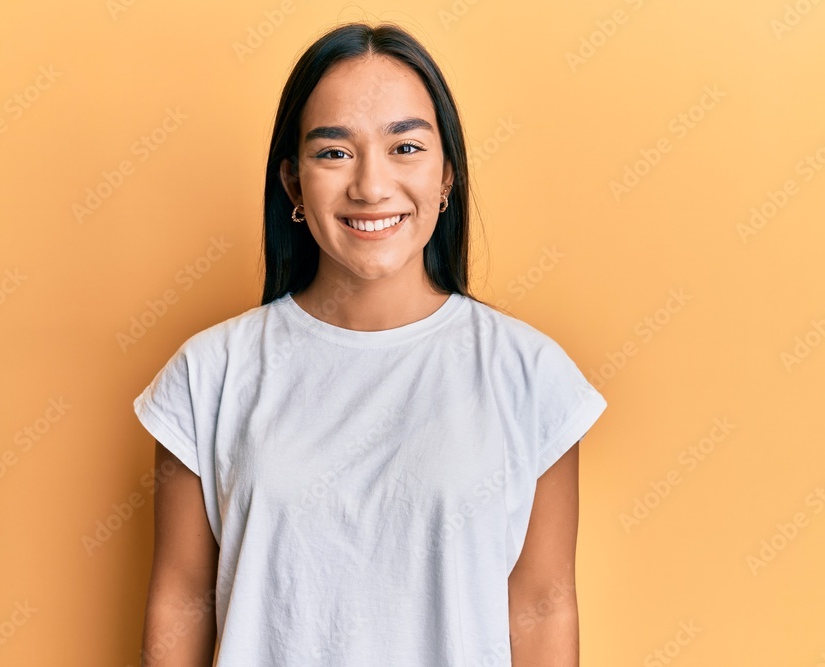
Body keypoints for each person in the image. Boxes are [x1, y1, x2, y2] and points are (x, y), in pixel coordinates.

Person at [133, 21, 607, 666]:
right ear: (294, 183)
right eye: (333, 153)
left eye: (405, 147)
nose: (370, 186)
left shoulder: (531, 376)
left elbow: (543, 604)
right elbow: (182, 597)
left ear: (447, 176)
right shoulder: (208, 375)